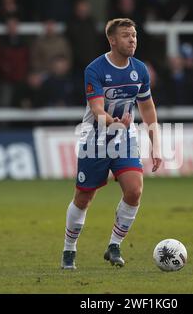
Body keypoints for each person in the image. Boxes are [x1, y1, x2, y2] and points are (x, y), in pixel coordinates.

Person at [61, 18, 162, 270]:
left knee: (134, 190)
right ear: (112, 40)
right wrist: (113, 122)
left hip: (124, 138)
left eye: (134, 35)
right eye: (127, 35)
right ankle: (69, 250)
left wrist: (155, 143)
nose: (132, 40)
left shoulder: (139, 69)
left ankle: (114, 245)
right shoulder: (94, 69)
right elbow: (97, 110)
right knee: (84, 198)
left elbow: (147, 108)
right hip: (94, 139)